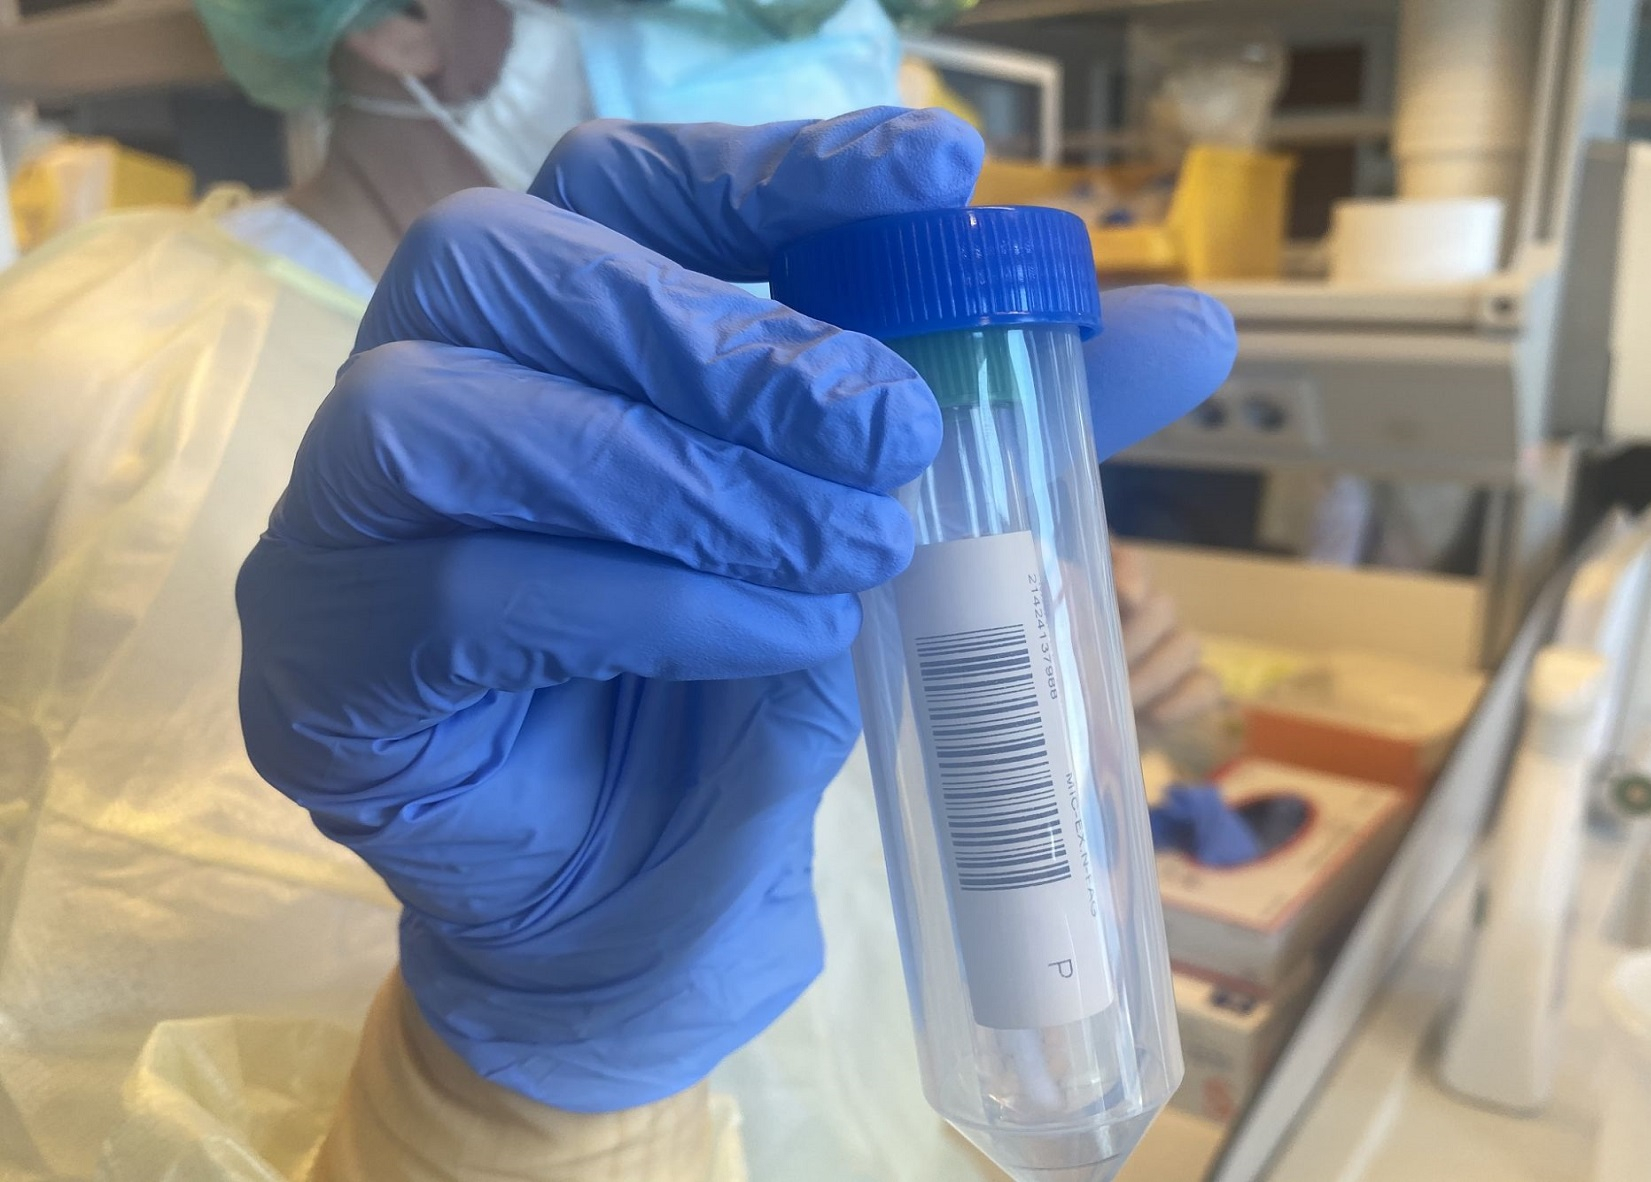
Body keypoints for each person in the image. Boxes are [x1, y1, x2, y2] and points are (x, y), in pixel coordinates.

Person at [0, 10, 1234, 1182]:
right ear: (400, 15)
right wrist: (497, 1091)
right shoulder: (79, 388)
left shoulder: (782, 370)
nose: (848, 31)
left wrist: (1080, 695)